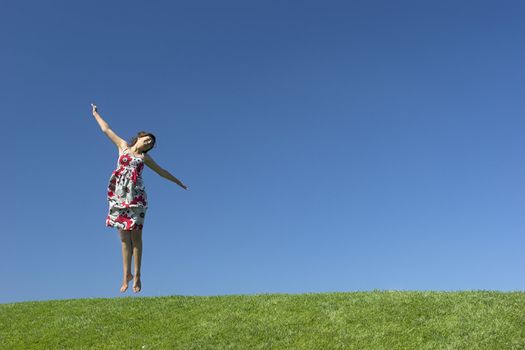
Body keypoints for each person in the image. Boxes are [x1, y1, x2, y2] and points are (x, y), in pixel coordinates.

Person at [91, 103, 188, 293]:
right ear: (140, 137)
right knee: (123, 237)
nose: (149, 143)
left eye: (151, 143)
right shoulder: (123, 147)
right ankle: (125, 275)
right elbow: (106, 129)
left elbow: (162, 172)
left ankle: (138, 275)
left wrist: (178, 182)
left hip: (136, 197)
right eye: (147, 139)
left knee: (136, 237)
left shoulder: (144, 158)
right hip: (119, 194)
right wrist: (95, 113)